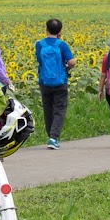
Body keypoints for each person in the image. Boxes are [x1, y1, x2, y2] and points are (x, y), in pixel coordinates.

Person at [34, 18, 75, 150]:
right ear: (60, 31)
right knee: (60, 109)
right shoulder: (62, 45)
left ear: (46, 29)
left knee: (48, 109)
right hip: (60, 81)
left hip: (44, 81)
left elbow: (39, 60)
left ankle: (50, 136)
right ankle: (53, 137)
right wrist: (66, 68)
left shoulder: (40, 44)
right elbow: (72, 62)